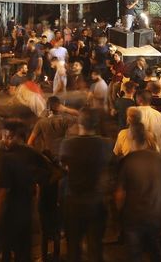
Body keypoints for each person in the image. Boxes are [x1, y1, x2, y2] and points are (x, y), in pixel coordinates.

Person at [0, 119, 52, 262]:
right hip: (26, 214)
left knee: (5, 253)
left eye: (6, 136)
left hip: (8, 215)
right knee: (23, 255)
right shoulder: (32, 153)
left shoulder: (7, 159)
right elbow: (52, 172)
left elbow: (2, 193)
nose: (4, 140)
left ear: (12, 135)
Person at [115, 120, 161, 262]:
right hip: (156, 213)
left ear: (131, 138)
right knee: (154, 247)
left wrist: (119, 212)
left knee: (134, 253)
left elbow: (119, 194)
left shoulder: (127, 161)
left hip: (132, 216)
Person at [59, 108, 113, 262]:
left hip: (73, 200)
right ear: (96, 124)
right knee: (95, 247)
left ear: (79, 123)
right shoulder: (106, 144)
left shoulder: (68, 144)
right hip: (96, 201)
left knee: (73, 247)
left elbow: (64, 166)